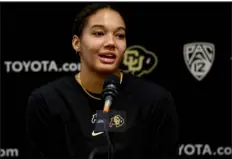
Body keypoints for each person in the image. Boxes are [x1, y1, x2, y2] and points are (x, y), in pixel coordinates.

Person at [25, 3, 179, 159]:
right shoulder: (48, 101)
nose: (111, 42)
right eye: (99, 33)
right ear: (76, 43)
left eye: (120, 35)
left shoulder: (154, 100)